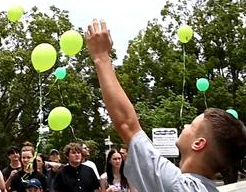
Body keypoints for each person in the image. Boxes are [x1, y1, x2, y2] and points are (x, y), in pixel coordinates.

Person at [85, 19, 246, 192]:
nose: (185, 126)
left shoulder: (179, 186)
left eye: (192, 126)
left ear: (198, 143)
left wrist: (101, 57)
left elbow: (127, 125)